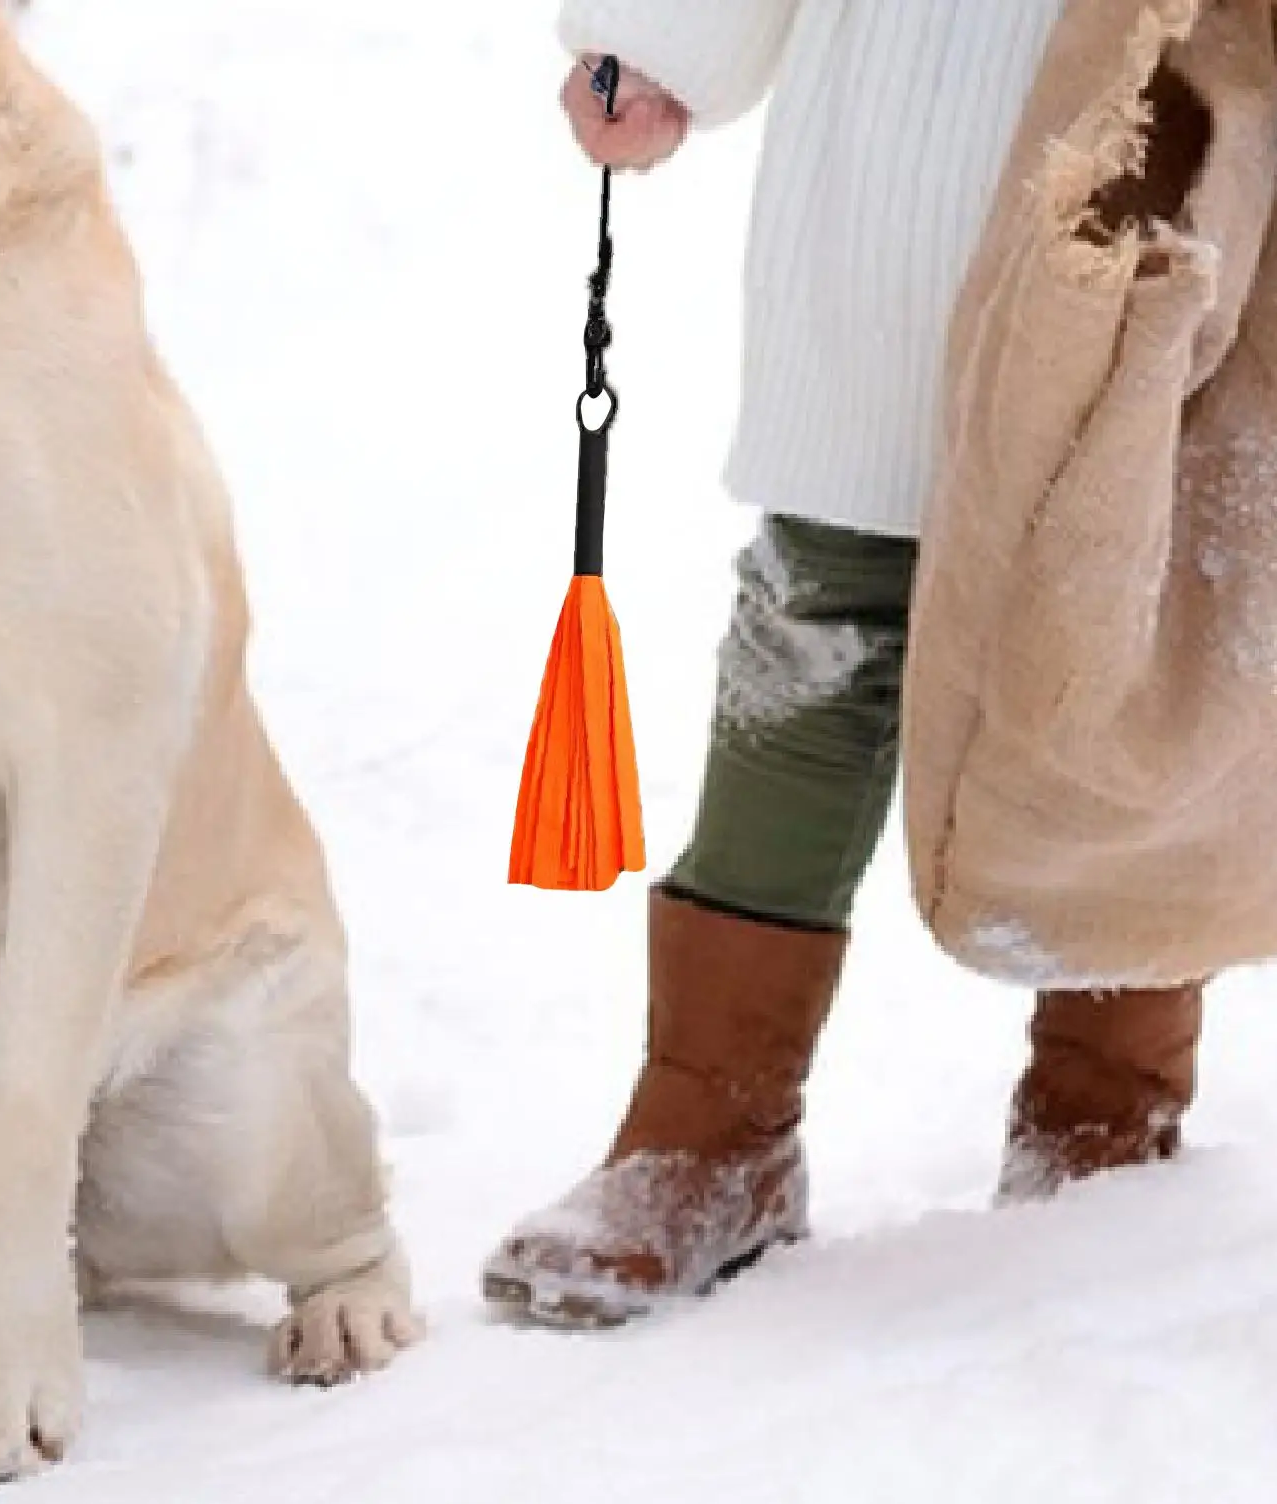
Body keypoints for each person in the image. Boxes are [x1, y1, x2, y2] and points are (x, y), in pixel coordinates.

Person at [482, 0, 1204, 1331]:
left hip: (1161, 155)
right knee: (824, 610)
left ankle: (1104, 1118)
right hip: (889, 154)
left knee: (1112, 642)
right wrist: (660, 41)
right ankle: (710, 1133)